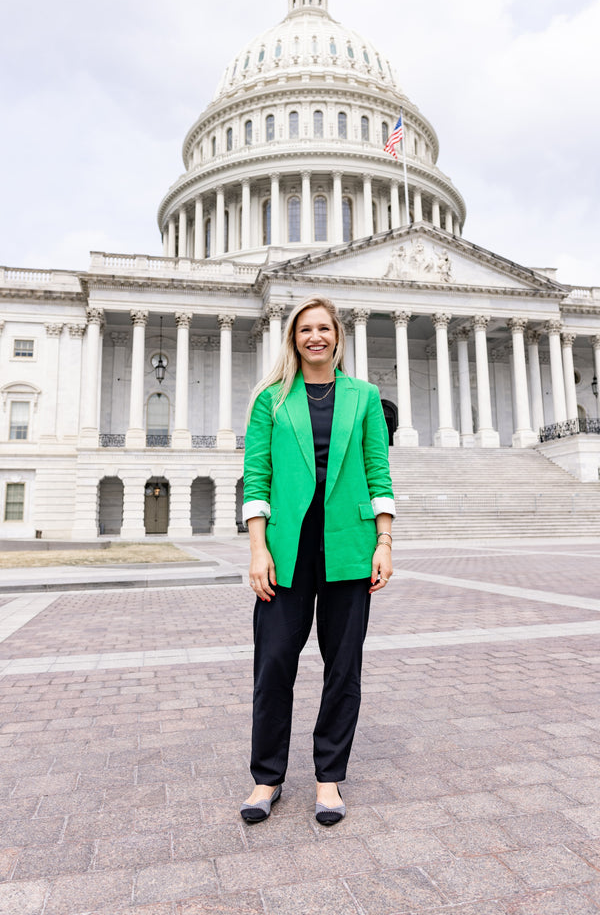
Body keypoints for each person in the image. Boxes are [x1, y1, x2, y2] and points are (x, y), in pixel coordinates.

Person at [240, 296, 395, 825]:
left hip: (348, 547)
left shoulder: (365, 396)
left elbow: (379, 471)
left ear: (338, 337)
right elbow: (256, 476)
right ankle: (266, 778)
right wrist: (257, 547)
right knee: (274, 663)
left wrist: (385, 541)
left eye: (323, 328)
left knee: (343, 668)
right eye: (305, 329)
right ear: (293, 338)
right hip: (287, 547)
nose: (315, 337)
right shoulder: (271, 400)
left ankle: (329, 779)